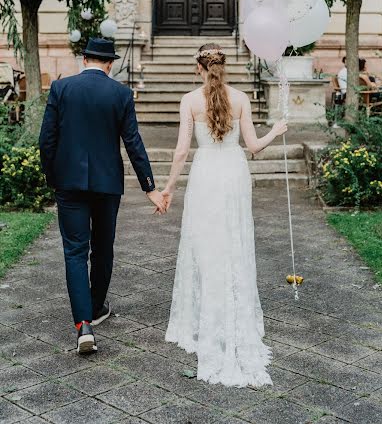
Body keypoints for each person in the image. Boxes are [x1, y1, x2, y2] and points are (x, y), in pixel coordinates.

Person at [162, 43, 287, 387]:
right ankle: (232, 308)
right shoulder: (242, 99)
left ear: (198, 68)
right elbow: (254, 147)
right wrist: (275, 132)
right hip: (234, 174)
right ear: (223, 66)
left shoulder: (189, 100)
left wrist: (169, 188)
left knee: (204, 243)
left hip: (205, 174)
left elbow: (182, 150)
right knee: (233, 240)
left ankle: (204, 317)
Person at [39, 38, 166, 354]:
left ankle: (83, 325)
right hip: (108, 185)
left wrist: (54, 178)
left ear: (84, 59)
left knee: (74, 252)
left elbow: (46, 141)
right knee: (103, 247)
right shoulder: (121, 93)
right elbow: (133, 143)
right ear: (110, 64)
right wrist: (149, 187)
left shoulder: (61, 88)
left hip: (68, 184)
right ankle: (95, 308)